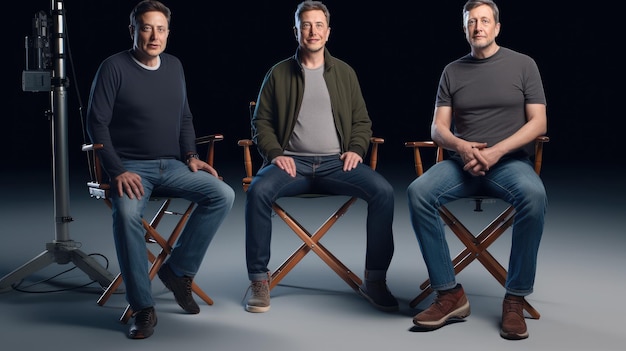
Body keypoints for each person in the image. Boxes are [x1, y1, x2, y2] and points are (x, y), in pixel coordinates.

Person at [86, 0, 235, 339]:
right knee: (125, 215)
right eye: (146, 27)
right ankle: (143, 307)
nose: (154, 35)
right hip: (131, 169)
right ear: (133, 30)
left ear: (168, 32)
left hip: (172, 164)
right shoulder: (113, 67)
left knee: (222, 195)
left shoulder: (174, 66)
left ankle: (178, 270)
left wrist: (191, 155)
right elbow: (97, 123)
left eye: (161, 28)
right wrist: (117, 170)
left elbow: (184, 117)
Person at [406, 0, 547, 340]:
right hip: (463, 164)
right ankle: (449, 293)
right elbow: (438, 128)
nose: (479, 26)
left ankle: (514, 298)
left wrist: (497, 151)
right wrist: (463, 147)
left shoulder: (523, 65)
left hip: (509, 163)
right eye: (472, 21)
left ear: (497, 27)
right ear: (465, 28)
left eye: (485, 21)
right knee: (418, 193)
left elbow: (539, 121)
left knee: (534, 195)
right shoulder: (452, 71)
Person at [244, 0, 397, 314]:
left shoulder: (344, 72)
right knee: (258, 191)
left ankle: (376, 279)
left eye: (318, 25)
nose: (312, 31)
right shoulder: (277, 73)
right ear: (296, 31)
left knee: (384, 192)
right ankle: (259, 280)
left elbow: (362, 121)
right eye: (306, 25)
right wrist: (274, 154)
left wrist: (355, 149)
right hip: (291, 164)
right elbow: (260, 122)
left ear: (328, 32)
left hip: (336, 164)